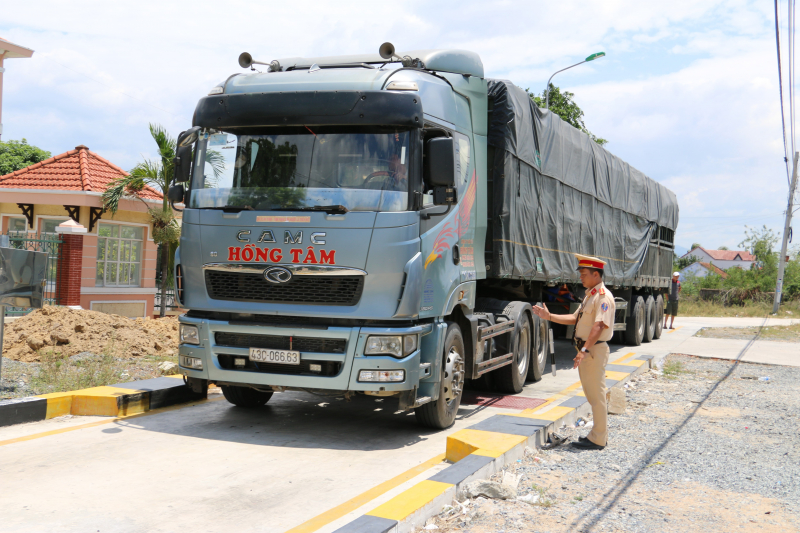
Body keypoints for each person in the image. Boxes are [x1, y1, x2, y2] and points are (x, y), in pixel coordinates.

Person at [532, 254, 616, 450]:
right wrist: (549, 316)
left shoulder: (602, 296)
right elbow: (574, 318)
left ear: (596, 274)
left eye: (584, 274)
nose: (581, 277)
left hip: (594, 351)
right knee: (593, 395)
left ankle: (598, 438)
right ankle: (597, 435)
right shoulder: (590, 295)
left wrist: (584, 350)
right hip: (589, 350)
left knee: (597, 396)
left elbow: (599, 326)